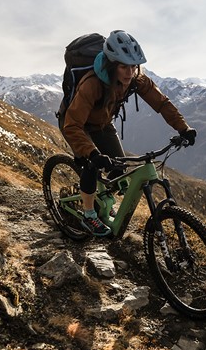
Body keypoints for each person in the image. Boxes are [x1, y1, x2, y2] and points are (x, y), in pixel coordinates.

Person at [60, 30, 196, 236]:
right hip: (76, 124)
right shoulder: (92, 84)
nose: (129, 72)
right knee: (91, 165)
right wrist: (93, 154)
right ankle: (89, 214)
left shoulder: (136, 79)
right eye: (124, 67)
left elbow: (161, 102)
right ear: (111, 64)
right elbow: (72, 125)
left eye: (133, 66)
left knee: (118, 168)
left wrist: (183, 128)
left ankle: (102, 202)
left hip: (102, 123)